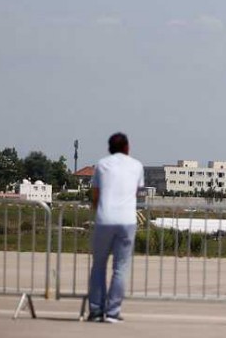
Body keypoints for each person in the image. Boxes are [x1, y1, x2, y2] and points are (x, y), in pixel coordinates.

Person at [87, 132, 144, 323]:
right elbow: (136, 192)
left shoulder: (102, 165)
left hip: (105, 218)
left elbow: (95, 193)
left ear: (109, 148)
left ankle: (96, 310)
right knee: (120, 268)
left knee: (98, 266)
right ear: (127, 147)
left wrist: (97, 209)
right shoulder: (136, 166)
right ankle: (112, 311)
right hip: (127, 219)